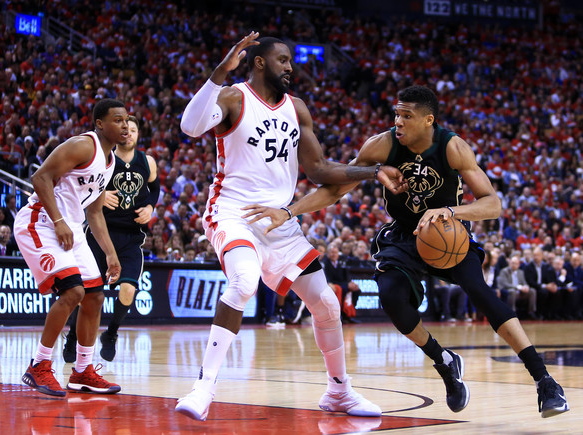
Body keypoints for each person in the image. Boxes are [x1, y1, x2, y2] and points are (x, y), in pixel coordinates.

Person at [244, 85, 569, 418]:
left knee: (480, 292)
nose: (398, 121)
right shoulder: (381, 145)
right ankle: (444, 361)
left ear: (428, 120)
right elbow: (335, 190)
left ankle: (545, 381)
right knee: (392, 300)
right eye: (396, 114)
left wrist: (452, 212)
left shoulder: (452, 147)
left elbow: (493, 204)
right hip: (402, 237)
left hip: (447, 232)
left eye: (407, 116)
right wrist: (289, 211)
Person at [174, 32, 401, 421]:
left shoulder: (297, 108)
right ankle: (203, 387)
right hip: (235, 213)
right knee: (244, 281)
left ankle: (339, 393)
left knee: (327, 303)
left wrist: (373, 170)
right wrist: (219, 72)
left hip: (280, 221)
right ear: (259, 62)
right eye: (283, 60)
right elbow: (190, 126)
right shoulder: (233, 97)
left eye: (291, 61)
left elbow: (319, 170)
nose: (290, 67)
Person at [14, 98, 126, 397]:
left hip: (72, 228)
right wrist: (59, 220)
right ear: (99, 124)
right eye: (117, 119)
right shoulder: (82, 146)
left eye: (127, 120)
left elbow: (95, 212)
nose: (125, 125)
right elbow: (40, 177)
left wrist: (111, 253)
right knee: (73, 291)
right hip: (41, 222)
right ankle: (38, 366)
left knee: (94, 295)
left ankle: (82, 372)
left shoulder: (110, 161)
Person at [63, 115, 159, 362]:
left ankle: (111, 334)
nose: (128, 132)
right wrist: (100, 195)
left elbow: (155, 189)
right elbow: (83, 183)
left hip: (130, 237)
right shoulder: (104, 159)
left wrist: (150, 207)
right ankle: (73, 335)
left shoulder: (147, 162)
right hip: (99, 234)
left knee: (128, 290)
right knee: (87, 293)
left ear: (138, 135)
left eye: (133, 129)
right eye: (124, 129)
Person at [497, 254, 538, 320]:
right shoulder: (504, 271)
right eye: (512, 263)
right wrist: (517, 287)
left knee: (532, 291)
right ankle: (512, 313)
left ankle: (531, 312)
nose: (514, 265)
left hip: (520, 293)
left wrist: (526, 287)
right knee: (512, 291)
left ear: (519, 265)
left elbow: (524, 282)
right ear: (509, 263)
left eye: (516, 263)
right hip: (509, 291)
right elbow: (504, 284)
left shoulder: (521, 272)